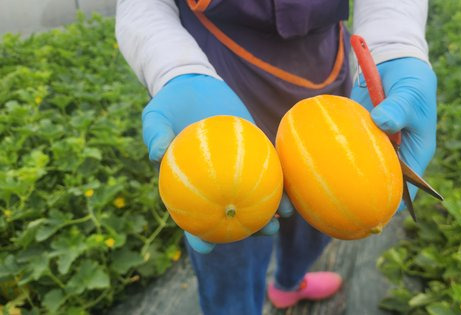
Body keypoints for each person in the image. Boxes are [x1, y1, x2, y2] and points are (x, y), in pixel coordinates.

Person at [116, 0, 437, 314]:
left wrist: (395, 41)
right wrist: (176, 69)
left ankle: (289, 284)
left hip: (323, 87)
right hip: (217, 82)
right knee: (233, 242)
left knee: (313, 225)